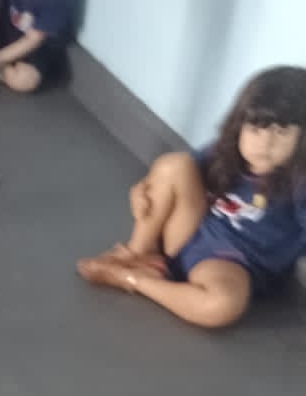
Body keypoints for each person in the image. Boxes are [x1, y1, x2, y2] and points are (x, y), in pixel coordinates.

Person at [77, 67, 306, 329]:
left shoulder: (300, 181)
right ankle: (138, 254)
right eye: (256, 129)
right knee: (175, 164)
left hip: (231, 263)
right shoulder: (226, 151)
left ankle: (133, 279)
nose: (265, 144)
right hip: (190, 231)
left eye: (280, 132)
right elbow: (172, 177)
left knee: (221, 305)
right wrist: (141, 190)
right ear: (239, 126)